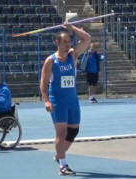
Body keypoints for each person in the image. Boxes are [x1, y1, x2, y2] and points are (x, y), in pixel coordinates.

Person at [40, 23, 91, 176]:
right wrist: (46, 100)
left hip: (72, 99)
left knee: (74, 131)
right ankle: (63, 165)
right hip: (58, 101)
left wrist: (72, 28)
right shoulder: (51, 60)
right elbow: (43, 81)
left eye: (69, 41)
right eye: (65, 42)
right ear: (57, 43)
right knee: (61, 134)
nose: (68, 44)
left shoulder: (73, 55)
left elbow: (87, 38)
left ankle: (59, 154)